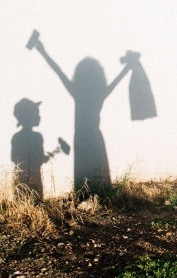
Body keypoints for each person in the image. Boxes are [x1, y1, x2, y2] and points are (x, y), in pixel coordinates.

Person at [33, 37, 131, 193]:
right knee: (100, 181)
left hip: (81, 138)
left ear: (78, 75)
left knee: (83, 182)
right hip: (94, 137)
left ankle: (85, 198)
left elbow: (58, 70)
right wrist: (128, 68)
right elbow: (118, 79)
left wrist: (42, 51)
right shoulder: (99, 93)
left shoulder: (78, 92)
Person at [11, 98, 49, 200]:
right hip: (34, 178)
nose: (39, 116)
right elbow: (39, 158)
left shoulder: (17, 137)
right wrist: (43, 158)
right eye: (36, 114)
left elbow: (14, 158)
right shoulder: (37, 137)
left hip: (21, 179)